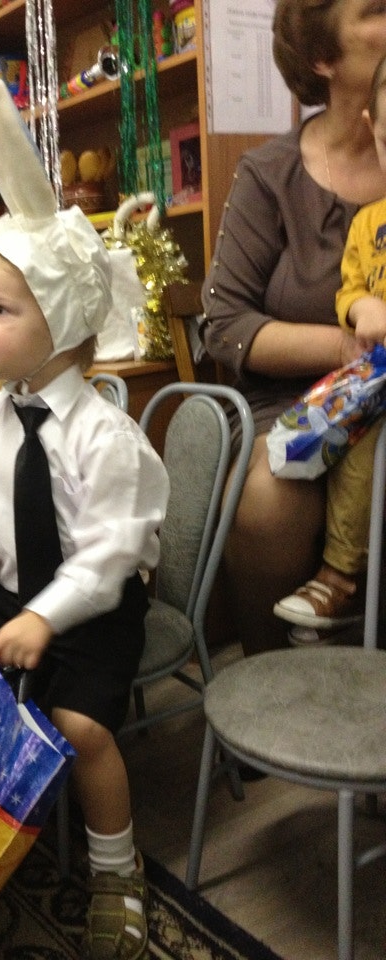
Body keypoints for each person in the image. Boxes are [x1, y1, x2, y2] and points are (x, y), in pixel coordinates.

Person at [0, 70, 169, 960]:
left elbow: (110, 557)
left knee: (80, 726)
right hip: (12, 595)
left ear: (65, 321)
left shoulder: (106, 439)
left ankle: (116, 868)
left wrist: (44, 617)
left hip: (92, 607)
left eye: (0, 311)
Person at [199, 0, 386, 656]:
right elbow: (225, 325)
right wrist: (353, 349)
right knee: (272, 494)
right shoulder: (269, 174)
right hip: (293, 401)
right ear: (322, 57)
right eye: (376, 9)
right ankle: (273, 682)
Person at [273, 54, 386, 636]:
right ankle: (341, 575)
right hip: (376, 378)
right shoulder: (368, 223)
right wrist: (362, 308)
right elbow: (350, 287)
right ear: (374, 129)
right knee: (355, 443)